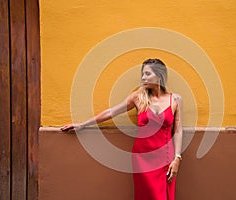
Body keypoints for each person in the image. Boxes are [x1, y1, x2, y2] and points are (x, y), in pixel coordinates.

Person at [61, 58, 183, 200]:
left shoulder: (175, 99)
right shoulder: (138, 97)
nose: (143, 78)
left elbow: (178, 130)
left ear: (159, 75)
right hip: (143, 158)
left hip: (166, 158)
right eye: (142, 74)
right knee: (149, 195)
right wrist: (82, 124)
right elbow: (111, 112)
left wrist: (177, 158)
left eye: (147, 74)